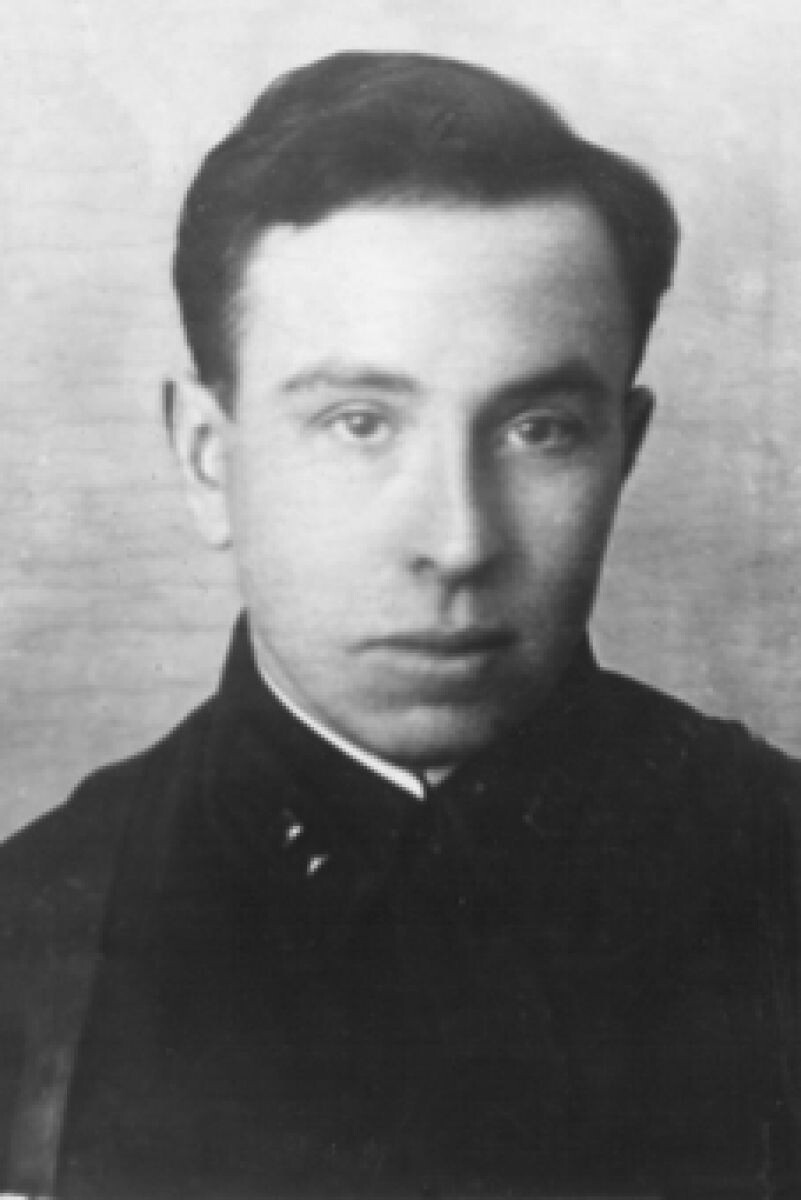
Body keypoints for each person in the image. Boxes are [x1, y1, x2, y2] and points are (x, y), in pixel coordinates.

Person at [0, 50, 799, 1200]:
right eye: (359, 422)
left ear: (624, 451)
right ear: (207, 457)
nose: (460, 541)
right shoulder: (30, 945)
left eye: (539, 429)